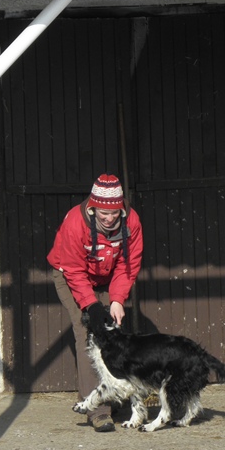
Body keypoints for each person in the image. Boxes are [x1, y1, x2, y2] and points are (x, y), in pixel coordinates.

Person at [47, 174, 143, 432]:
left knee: (114, 333)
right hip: (70, 276)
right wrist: (91, 305)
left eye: (114, 213)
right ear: (92, 206)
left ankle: (113, 395)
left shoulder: (130, 221)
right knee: (88, 333)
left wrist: (117, 299)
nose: (109, 218)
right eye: (103, 213)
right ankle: (96, 409)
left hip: (108, 275)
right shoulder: (75, 223)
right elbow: (74, 272)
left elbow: (128, 264)